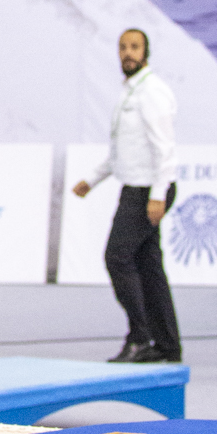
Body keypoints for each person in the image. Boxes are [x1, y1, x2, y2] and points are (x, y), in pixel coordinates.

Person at [72, 28, 182, 364]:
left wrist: (158, 195)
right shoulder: (130, 93)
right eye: (122, 47)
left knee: (117, 258)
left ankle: (139, 336)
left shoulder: (152, 92)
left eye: (134, 47)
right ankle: (166, 346)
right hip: (134, 186)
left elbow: (165, 150)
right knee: (149, 268)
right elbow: (123, 151)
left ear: (146, 51)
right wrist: (92, 180)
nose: (127, 53)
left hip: (148, 191)